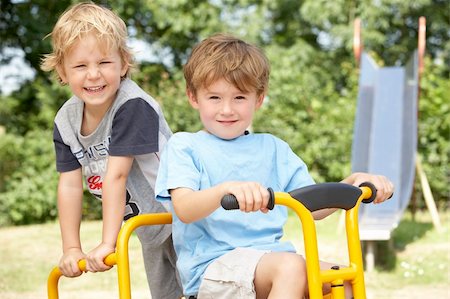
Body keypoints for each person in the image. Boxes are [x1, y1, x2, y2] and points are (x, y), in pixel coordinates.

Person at [154, 33, 394, 299]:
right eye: (214, 98)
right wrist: (226, 190)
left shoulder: (273, 148)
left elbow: (312, 207)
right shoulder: (185, 146)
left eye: (239, 98)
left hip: (273, 261)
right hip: (214, 268)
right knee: (291, 267)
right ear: (193, 97)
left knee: (343, 279)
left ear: (258, 99)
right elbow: (184, 208)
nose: (227, 109)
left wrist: (352, 185)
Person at [41, 2, 182, 298]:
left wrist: (109, 242)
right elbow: (69, 186)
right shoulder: (65, 120)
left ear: (124, 63)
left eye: (104, 63)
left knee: (206, 290)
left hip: (183, 219)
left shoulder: (132, 105)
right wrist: (71, 248)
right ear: (62, 71)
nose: (93, 75)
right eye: (80, 66)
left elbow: (116, 176)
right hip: (148, 229)